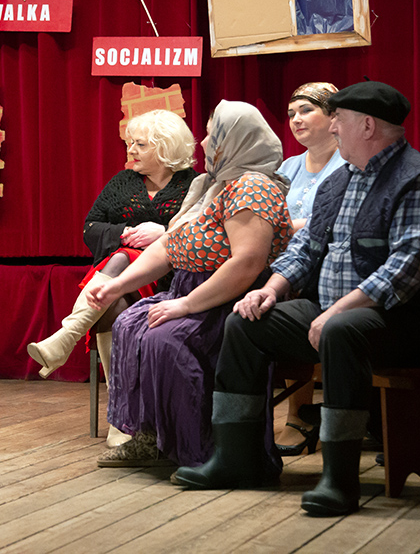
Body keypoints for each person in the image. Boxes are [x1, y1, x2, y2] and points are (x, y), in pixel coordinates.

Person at [172, 81, 420, 517]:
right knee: (246, 323)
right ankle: (237, 460)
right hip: (335, 312)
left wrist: (336, 311)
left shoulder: (419, 182)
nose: (332, 129)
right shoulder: (340, 181)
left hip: (409, 321)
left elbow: (403, 273)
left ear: (367, 126)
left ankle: (340, 478)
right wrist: (269, 289)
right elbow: (305, 249)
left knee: (342, 330)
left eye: (339, 120)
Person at [83, 101, 294, 469]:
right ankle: (151, 436)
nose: (205, 142)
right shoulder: (210, 185)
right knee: (129, 323)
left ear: (236, 141)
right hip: (189, 288)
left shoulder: (253, 187)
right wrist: (117, 286)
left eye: (214, 135)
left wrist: (185, 305)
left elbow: (247, 263)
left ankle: (197, 446)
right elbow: (167, 246)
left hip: (228, 297)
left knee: (164, 338)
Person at [27, 110, 196, 446]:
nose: (131, 149)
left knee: (122, 259)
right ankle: (123, 417)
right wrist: (125, 232)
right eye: (130, 143)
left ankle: (68, 338)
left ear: (165, 147)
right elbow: (91, 228)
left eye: (140, 144)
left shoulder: (194, 184)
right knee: (116, 291)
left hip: (172, 279)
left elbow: (205, 231)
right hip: (122, 284)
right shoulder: (122, 182)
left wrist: (162, 233)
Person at [275, 82, 345, 456]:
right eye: (291, 113)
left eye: (306, 110)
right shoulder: (287, 167)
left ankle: (301, 415)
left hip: (330, 265)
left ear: (333, 115)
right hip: (284, 260)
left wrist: (283, 227)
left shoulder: (348, 163)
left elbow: (331, 222)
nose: (296, 119)